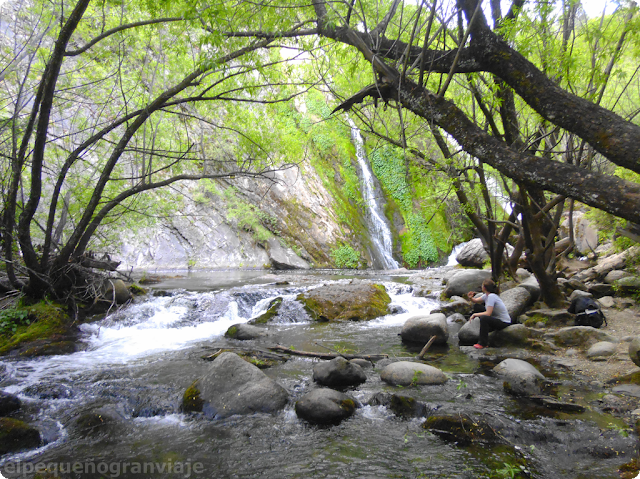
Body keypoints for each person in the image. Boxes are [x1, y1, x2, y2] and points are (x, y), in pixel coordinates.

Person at [466, 278, 511, 349]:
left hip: (503, 322)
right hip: (496, 318)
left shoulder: (491, 296)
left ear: (484, 287)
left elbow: (488, 313)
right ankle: (485, 329)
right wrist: (471, 298)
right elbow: (476, 301)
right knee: (477, 307)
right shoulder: (487, 295)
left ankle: (483, 343)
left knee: (484, 318)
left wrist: (475, 315)